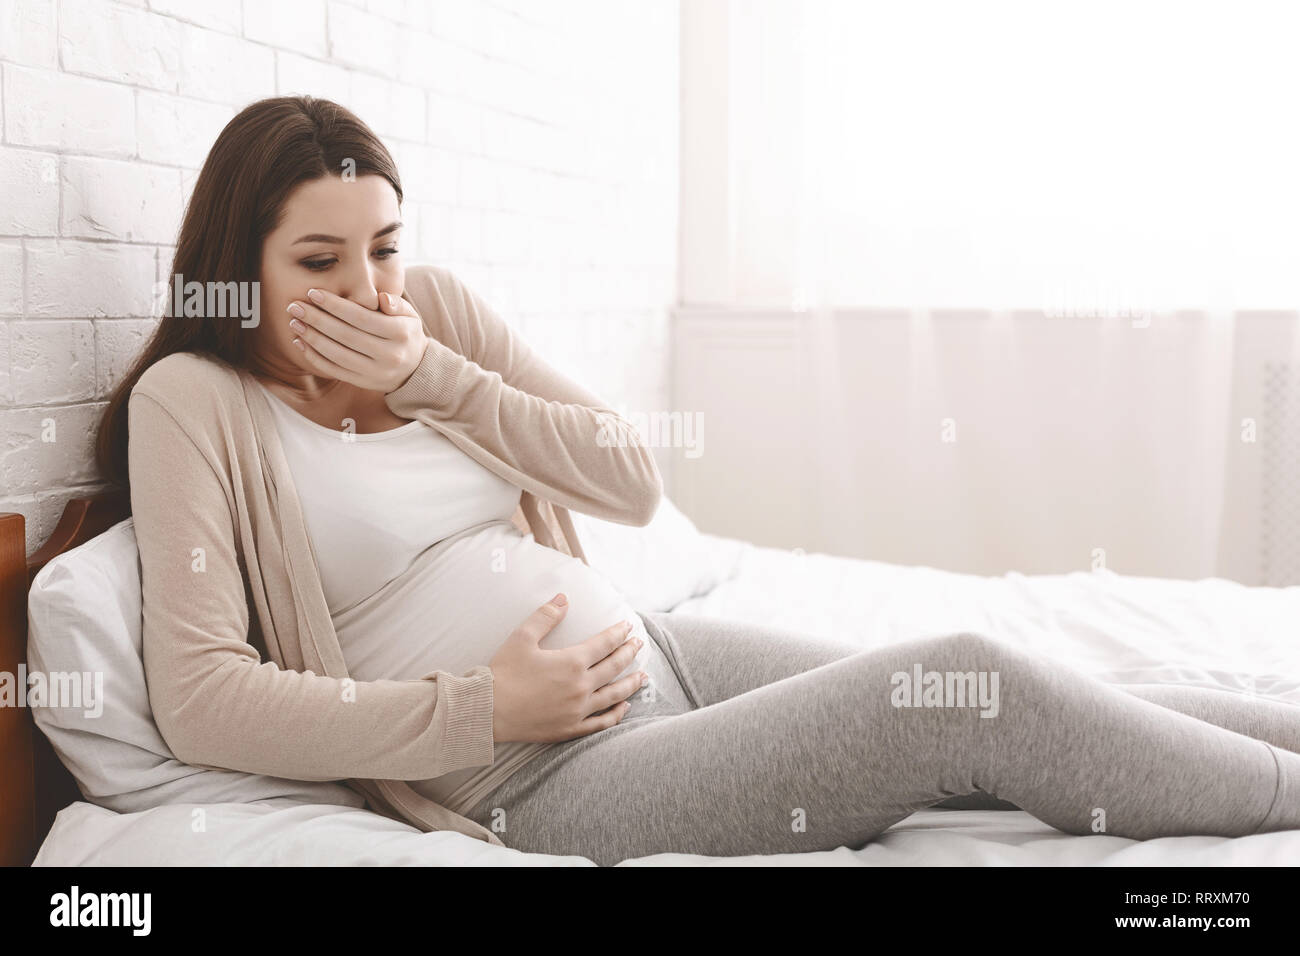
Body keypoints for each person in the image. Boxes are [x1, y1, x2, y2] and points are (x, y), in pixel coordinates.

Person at [98, 96, 1300, 866]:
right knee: (966, 692)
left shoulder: (437, 321)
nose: (370, 292)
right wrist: (479, 710)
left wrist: (443, 383)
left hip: (664, 653)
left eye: (387, 247)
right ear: (234, 267)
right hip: (540, 772)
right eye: (320, 260)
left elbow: (627, 480)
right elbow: (206, 695)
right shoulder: (196, 401)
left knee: (1009, 669)